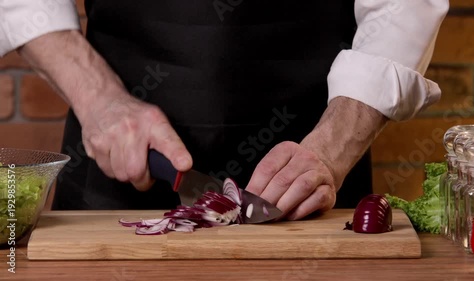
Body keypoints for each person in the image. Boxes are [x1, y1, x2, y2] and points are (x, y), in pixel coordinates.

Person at [0, 1, 449, 220]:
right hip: (121, 158)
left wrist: (333, 146)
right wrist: (98, 98)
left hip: (313, 164)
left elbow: (404, 3)